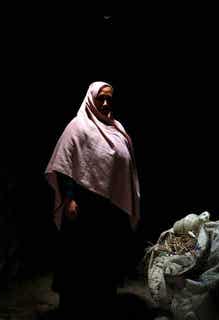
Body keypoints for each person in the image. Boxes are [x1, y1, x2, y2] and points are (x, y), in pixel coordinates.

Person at [44, 81, 141, 319]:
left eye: (109, 99)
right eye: (101, 99)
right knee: (79, 259)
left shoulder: (116, 127)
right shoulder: (78, 127)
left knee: (104, 259)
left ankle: (102, 306)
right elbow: (65, 164)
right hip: (84, 205)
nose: (106, 103)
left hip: (108, 207)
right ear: (91, 99)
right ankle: (75, 310)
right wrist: (69, 198)